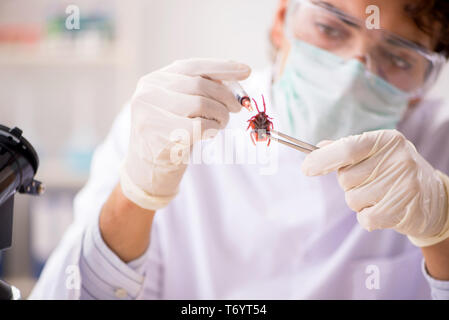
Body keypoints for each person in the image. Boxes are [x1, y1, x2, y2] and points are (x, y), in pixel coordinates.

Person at [31, 0, 449, 299]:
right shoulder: (174, 119)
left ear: (424, 86)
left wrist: (441, 231)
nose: (351, 75)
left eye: (397, 58)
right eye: (331, 29)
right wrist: (136, 194)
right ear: (282, 20)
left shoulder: (440, 148)